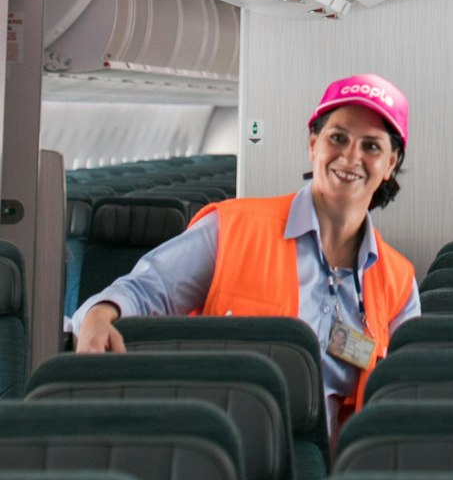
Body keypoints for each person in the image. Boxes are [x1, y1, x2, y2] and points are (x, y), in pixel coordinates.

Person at [73, 73, 419, 438]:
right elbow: (147, 290)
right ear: (313, 144)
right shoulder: (232, 228)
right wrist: (99, 314)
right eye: (338, 138)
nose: (351, 156)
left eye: (372, 146)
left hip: (339, 473)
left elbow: (406, 390)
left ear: (391, 163)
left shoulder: (397, 280)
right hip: (228, 453)